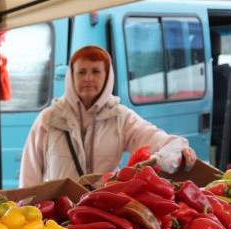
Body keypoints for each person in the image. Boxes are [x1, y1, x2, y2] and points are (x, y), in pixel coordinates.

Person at [20, 45, 196, 187]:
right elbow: (30, 171)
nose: (88, 78)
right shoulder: (49, 118)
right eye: (81, 72)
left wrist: (177, 147)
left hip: (102, 208)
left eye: (96, 71)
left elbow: (156, 139)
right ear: (70, 76)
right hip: (59, 211)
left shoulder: (121, 117)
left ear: (107, 76)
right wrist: (25, 207)